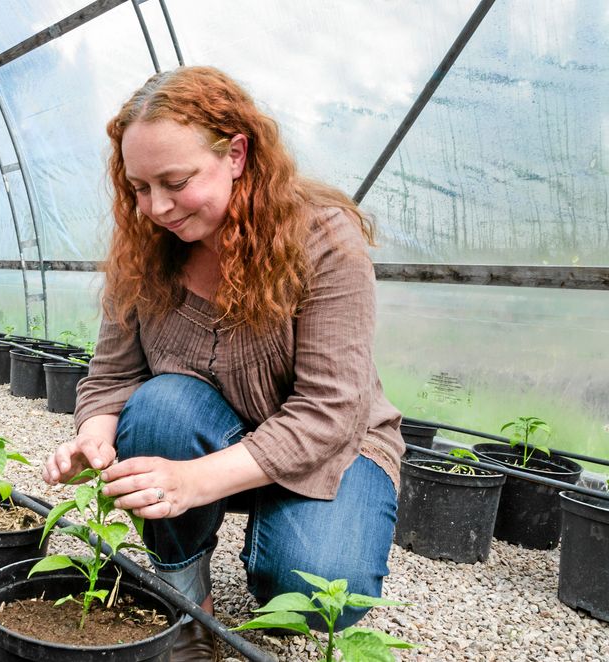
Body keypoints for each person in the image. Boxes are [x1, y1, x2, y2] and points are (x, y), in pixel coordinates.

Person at [42, 66, 404, 661]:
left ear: (236, 154)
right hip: (209, 430)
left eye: (175, 181)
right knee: (159, 408)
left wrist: (193, 481)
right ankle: (189, 606)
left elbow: (329, 411)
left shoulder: (322, 238)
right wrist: (94, 438)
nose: (157, 207)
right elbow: (111, 377)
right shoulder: (145, 249)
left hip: (334, 445)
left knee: (315, 592)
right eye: (139, 187)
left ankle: (277, 533)